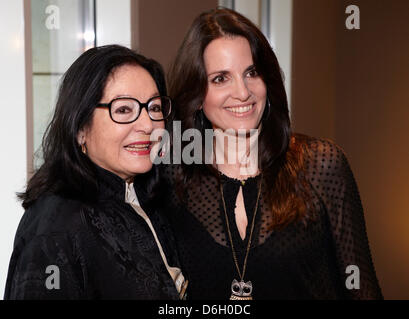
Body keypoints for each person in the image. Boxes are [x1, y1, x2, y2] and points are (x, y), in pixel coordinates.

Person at [161, 8, 383, 300]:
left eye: (252, 73)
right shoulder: (175, 178)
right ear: (197, 95)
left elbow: (362, 289)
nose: (242, 92)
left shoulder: (320, 164)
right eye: (220, 79)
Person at [4, 45, 186, 300]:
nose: (148, 125)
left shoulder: (145, 198)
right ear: (80, 128)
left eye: (154, 108)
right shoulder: (56, 231)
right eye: (123, 110)